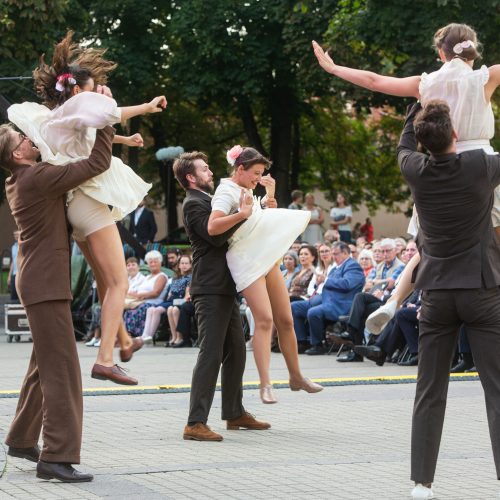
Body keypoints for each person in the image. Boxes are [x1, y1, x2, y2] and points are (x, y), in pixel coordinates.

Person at [313, 23, 500, 334]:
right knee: (493, 236)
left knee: (429, 246)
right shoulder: (487, 77)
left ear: (441, 53)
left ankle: (394, 300)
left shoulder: (424, 84)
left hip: (439, 164)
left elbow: (373, 81)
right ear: (472, 48)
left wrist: (334, 68)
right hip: (481, 167)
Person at [8, 31, 166, 384]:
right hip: (89, 204)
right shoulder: (80, 103)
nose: (97, 95)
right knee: (119, 283)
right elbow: (107, 114)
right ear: (78, 90)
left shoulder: (56, 116)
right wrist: (147, 106)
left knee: (104, 277)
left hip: (73, 208)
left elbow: (84, 139)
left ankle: (124, 341)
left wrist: (123, 138)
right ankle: (105, 359)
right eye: (93, 89)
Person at [397, 100, 500, 499]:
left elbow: (404, 146)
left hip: (436, 293)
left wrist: (413, 111)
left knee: (429, 391)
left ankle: (422, 484)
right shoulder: (481, 165)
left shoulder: (416, 171)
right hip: (481, 289)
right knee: (496, 389)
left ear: (423, 142)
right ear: (455, 135)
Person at [1, 124, 114, 482]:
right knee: (62, 371)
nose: (30, 139)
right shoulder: (37, 177)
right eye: (23, 139)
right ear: (17, 154)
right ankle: (56, 456)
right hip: (45, 284)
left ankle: (21, 440)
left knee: (43, 364)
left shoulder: (21, 179)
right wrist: (104, 121)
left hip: (39, 281)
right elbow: (97, 162)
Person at [208, 146, 323, 404]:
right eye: (256, 173)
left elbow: (257, 222)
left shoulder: (246, 189)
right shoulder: (225, 192)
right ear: (240, 169)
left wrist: (268, 198)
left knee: (286, 319)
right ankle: (265, 385)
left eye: (261, 174)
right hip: (246, 258)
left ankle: (296, 376)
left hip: (265, 255)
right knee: (264, 320)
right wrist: (242, 213)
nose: (258, 178)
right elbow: (213, 226)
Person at [173, 151, 270, 441]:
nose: (210, 172)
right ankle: (195, 422)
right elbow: (214, 235)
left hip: (225, 285)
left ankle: (233, 412)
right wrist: (241, 214)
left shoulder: (209, 199)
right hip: (210, 285)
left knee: (237, 350)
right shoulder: (194, 203)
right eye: (204, 169)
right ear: (191, 177)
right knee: (210, 353)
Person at [292, 242, 365, 355]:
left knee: (313, 312)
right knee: (294, 307)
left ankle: (318, 345)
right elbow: (326, 284)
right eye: (333, 254)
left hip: (341, 304)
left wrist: (325, 280)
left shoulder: (353, 266)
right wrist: (318, 283)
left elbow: (347, 284)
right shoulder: (336, 268)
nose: (333, 257)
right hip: (326, 300)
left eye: (336, 254)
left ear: (345, 253)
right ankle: (302, 341)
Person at [142, 254, 192, 345]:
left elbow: (186, 295)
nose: (184, 265)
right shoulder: (175, 278)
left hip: (180, 300)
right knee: (168, 309)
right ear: (179, 265)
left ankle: (179, 337)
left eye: (186, 263)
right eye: (182, 263)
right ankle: (174, 336)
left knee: (173, 309)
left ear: (190, 265)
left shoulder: (190, 277)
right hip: (172, 300)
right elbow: (170, 293)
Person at [124, 250, 168, 339]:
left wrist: (139, 295)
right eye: (150, 262)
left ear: (160, 263)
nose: (152, 264)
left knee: (134, 311)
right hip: (141, 301)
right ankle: (123, 335)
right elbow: (138, 291)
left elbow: (156, 293)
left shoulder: (161, 276)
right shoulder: (147, 277)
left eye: (155, 262)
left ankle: (133, 335)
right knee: (123, 309)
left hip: (153, 303)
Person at [7, 230, 20, 302]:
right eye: (15, 235)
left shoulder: (24, 246)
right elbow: (13, 261)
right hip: (14, 274)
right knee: (13, 295)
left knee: (21, 294)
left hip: (21, 274)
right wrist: (9, 276)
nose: (16, 236)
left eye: (18, 234)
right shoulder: (13, 247)